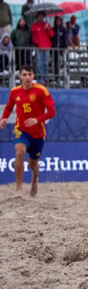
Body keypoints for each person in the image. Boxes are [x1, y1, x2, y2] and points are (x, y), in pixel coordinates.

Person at [0, 65, 56, 198]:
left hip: (38, 133)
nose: (27, 78)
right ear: (20, 77)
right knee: (19, 152)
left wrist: (37, 119)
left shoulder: (41, 90)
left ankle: (35, 177)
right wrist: (3, 118)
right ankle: (18, 189)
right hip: (21, 129)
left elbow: (52, 112)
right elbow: (8, 108)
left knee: (32, 164)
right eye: (24, 75)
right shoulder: (14, 92)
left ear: (33, 76)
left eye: (29, 75)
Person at [30, 12, 53, 83]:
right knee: (39, 63)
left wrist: (48, 29)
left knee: (45, 63)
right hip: (39, 47)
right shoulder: (34, 25)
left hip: (46, 47)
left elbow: (51, 35)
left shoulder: (47, 25)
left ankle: (45, 78)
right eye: (40, 16)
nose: (41, 17)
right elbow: (33, 36)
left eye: (42, 16)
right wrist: (37, 44)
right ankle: (40, 78)